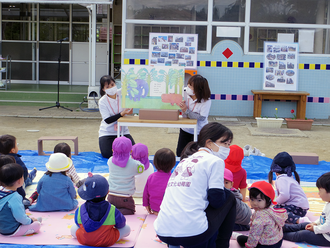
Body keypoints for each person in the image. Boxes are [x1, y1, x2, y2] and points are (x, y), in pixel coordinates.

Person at [154, 122, 236, 248]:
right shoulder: (215, 161)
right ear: (209, 143)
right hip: (192, 234)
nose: (227, 148)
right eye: (224, 143)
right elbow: (217, 201)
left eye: (229, 145)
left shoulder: (183, 162)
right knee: (229, 198)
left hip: (162, 231)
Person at [71, 172, 131, 247]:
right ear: (108, 192)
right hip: (106, 240)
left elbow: (77, 224)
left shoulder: (80, 209)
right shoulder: (112, 210)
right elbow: (121, 224)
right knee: (127, 229)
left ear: (86, 194)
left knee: (73, 228)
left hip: (84, 240)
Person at [232, 181, 288, 248]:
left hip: (267, 246)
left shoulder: (260, 217)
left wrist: (249, 246)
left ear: (268, 200)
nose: (255, 203)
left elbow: (254, 235)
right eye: (252, 199)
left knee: (242, 239)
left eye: (259, 200)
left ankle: (237, 236)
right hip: (278, 241)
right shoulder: (270, 209)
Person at [282, 172, 330, 246]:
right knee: (304, 225)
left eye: (320, 190)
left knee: (303, 234)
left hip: (327, 238)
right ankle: (283, 228)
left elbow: (327, 227)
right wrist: (315, 223)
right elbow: (323, 218)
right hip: (323, 230)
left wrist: (315, 228)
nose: (318, 193)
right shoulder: (328, 204)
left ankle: (279, 235)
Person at [98, 75, 135, 159]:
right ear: (103, 89)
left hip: (123, 131)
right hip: (108, 132)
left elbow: (132, 86)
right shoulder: (102, 101)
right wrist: (122, 114)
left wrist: (128, 112)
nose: (111, 87)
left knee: (134, 152)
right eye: (107, 86)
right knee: (107, 154)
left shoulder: (122, 93)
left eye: (112, 84)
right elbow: (107, 120)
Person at [0, 163, 41, 236]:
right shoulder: (15, 197)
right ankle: (34, 221)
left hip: (2, 226)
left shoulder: (1, 190)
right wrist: (30, 221)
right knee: (37, 225)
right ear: (19, 181)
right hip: (11, 229)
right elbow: (20, 217)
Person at [268, 152, 309, 224]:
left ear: (275, 171)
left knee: (276, 212)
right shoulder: (289, 177)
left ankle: (298, 220)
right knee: (274, 209)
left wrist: (277, 201)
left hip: (297, 208)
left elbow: (285, 196)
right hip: (301, 209)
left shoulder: (281, 179)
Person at [176, 74, 211, 157]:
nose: (188, 87)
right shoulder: (183, 92)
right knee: (180, 153)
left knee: (196, 155)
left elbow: (202, 118)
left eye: (190, 86)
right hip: (185, 128)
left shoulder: (206, 100)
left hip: (199, 131)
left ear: (198, 90)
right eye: (188, 84)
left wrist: (186, 111)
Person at [107, 136, 144, 215]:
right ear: (131, 151)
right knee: (131, 210)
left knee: (110, 206)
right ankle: (117, 212)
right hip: (126, 197)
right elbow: (141, 169)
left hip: (111, 195)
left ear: (113, 150)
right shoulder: (133, 164)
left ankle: (111, 211)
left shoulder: (110, 161)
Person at [143, 148, 176, 215]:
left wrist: (146, 205)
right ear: (173, 164)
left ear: (154, 163)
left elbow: (145, 194)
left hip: (155, 209)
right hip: (169, 209)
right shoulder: (174, 178)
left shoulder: (151, 177)